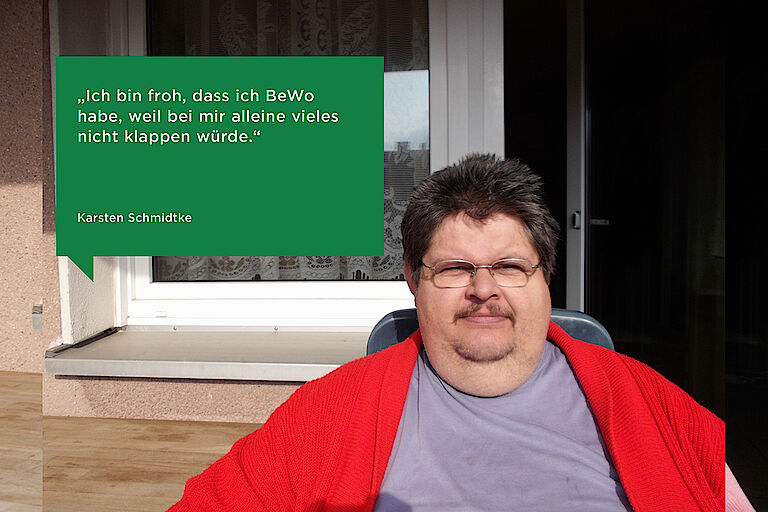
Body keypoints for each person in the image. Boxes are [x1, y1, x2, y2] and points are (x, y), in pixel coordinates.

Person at [169, 154, 751, 511]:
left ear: (545, 276)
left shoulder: (649, 401)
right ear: (412, 280)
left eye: (510, 266)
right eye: (454, 268)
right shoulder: (328, 414)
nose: (483, 289)